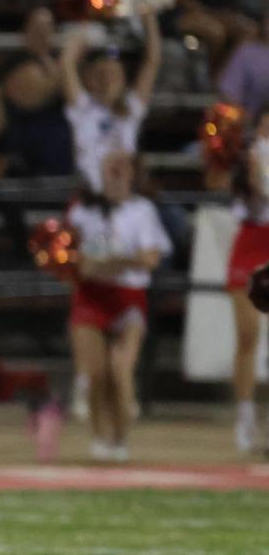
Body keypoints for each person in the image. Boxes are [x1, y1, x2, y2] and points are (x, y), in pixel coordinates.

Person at [66, 149, 167, 462]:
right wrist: (120, 260)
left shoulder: (142, 210)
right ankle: (99, 436)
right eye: (110, 165)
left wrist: (109, 261)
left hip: (128, 298)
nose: (116, 171)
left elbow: (151, 258)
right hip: (91, 295)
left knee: (120, 370)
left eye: (122, 166)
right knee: (96, 372)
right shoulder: (83, 211)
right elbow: (78, 264)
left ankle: (120, 437)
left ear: (132, 173)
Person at [60, 12, 161, 192]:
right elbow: (66, 63)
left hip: (125, 192)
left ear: (123, 81)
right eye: (101, 75)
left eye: (113, 75)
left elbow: (152, 61)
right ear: (89, 80)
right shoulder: (83, 107)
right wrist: (87, 24)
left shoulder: (131, 108)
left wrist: (148, 15)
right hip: (91, 194)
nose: (107, 81)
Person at [226, 109, 269, 455]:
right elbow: (221, 184)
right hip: (252, 241)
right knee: (248, 332)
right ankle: (245, 414)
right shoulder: (246, 156)